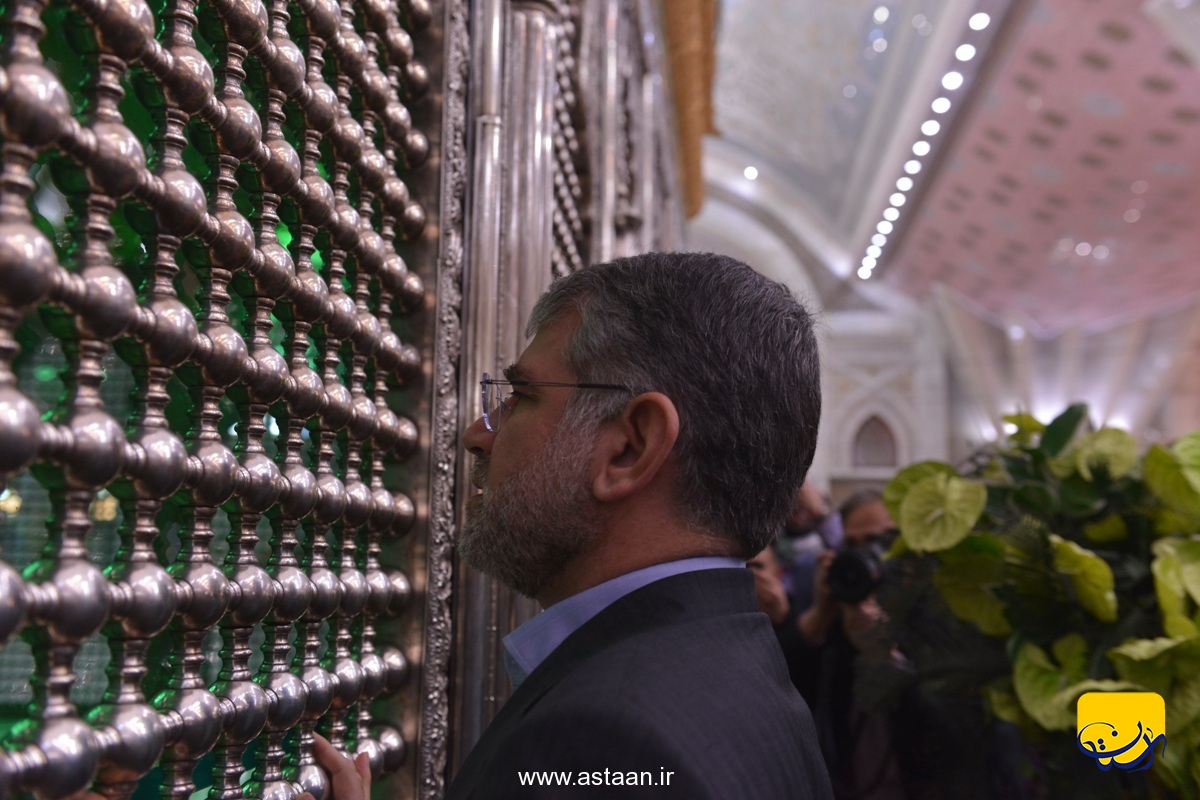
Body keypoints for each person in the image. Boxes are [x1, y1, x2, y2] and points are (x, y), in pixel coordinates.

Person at [449, 251, 832, 798]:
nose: (477, 435)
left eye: (522, 397)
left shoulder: (603, 742)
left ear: (631, 448)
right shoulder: (737, 663)